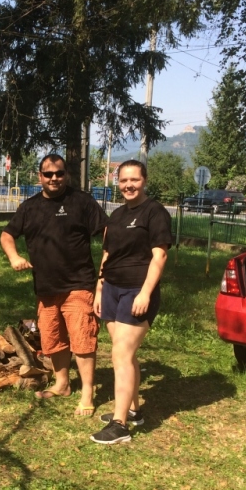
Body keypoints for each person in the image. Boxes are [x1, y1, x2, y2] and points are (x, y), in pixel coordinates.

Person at [0, 154, 107, 416]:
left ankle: (87, 393)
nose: (54, 178)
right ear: (40, 177)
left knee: (82, 340)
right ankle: (62, 384)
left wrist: (106, 267)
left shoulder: (81, 201)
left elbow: (107, 231)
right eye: (48, 174)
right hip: (46, 289)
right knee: (53, 339)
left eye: (58, 173)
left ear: (66, 174)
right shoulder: (29, 207)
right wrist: (14, 257)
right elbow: (6, 234)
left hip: (78, 284)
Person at [91, 159, 172, 445]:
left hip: (137, 290)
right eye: (123, 180)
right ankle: (134, 409)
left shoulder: (155, 213)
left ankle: (120, 424)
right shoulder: (116, 215)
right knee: (124, 353)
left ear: (144, 180)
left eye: (134, 180)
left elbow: (159, 256)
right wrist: (100, 289)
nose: (128, 185)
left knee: (121, 354)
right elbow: (107, 254)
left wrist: (145, 293)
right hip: (111, 289)